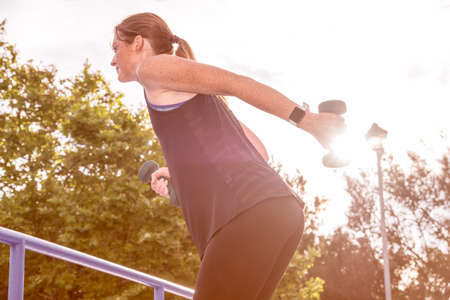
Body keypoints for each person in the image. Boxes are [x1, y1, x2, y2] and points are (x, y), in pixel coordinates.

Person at [111, 12, 344, 300]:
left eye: (115, 48)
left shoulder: (152, 69)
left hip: (248, 215)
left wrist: (306, 120)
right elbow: (258, 151)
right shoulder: (197, 96)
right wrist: (181, 173)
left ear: (137, 42)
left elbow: (236, 83)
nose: (112, 59)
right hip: (281, 211)